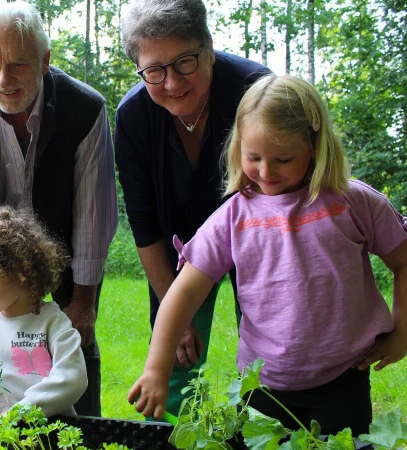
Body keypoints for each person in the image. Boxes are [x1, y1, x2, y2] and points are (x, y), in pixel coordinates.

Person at [128, 74, 407, 434]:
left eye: (283, 158)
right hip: (261, 389)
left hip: (344, 381)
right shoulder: (234, 218)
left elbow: (403, 261)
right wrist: (156, 369)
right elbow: (183, 294)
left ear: (315, 145)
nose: (265, 171)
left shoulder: (353, 203)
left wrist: (402, 333)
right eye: (254, 157)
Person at [0, 1, 117, 417]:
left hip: (67, 248)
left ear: (45, 60)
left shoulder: (84, 108)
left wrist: (84, 304)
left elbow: (93, 213)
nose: (3, 80)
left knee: (75, 339)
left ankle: (84, 426)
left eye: (18, 64)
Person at [114, 0, 271, 415]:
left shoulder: (255, 92)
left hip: (258, 242)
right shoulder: (132, 117)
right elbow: (144, 223)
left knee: (269, 359)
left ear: (209, 47)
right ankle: (174, 437)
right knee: (174, 363)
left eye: (185, 62)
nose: (171, 82)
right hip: (177, 250)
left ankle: (265, 431)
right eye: (154, 70)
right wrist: (174, 310)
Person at [0, 207, 87, 417]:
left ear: (20, 272)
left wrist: (18, 414)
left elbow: (72, 377)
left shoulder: (51, 323)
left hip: (49, 433)